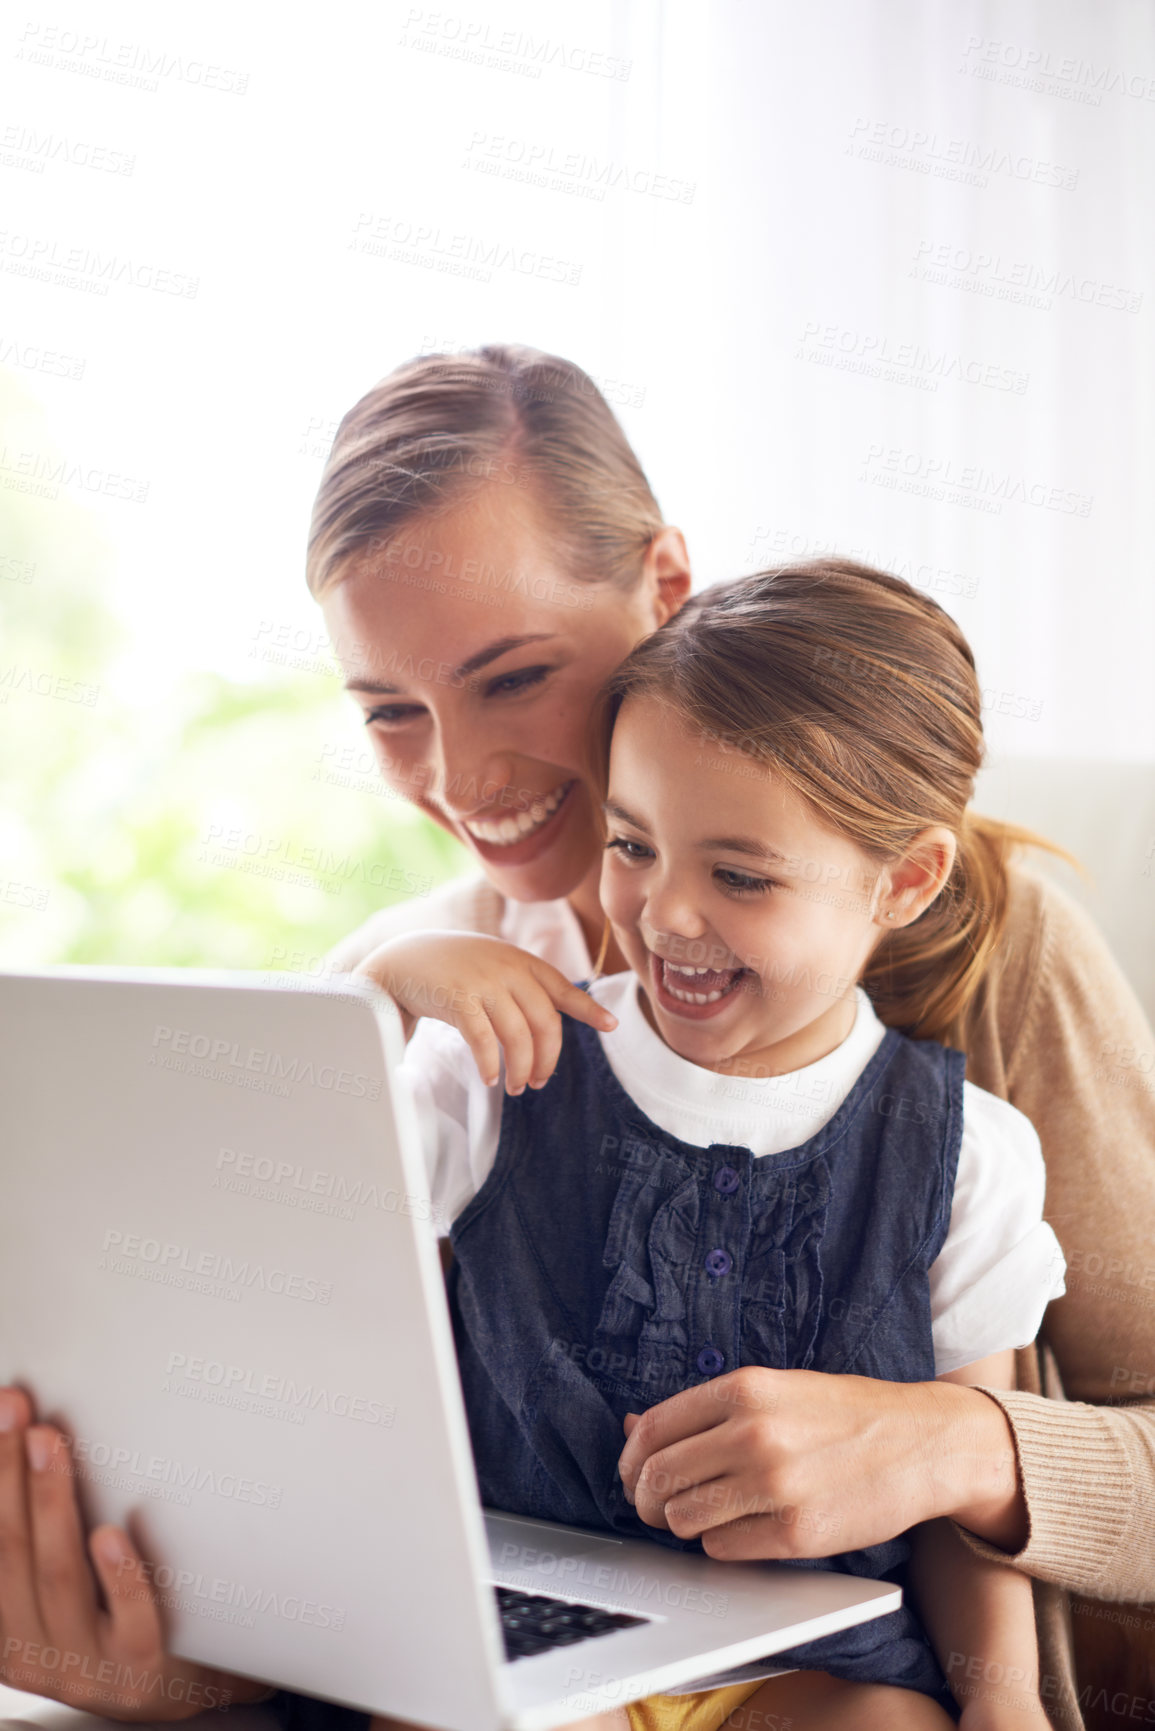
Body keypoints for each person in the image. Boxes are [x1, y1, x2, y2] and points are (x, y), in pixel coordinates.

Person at [0, 348, 1151, 1728]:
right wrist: (160, 1665)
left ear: (663, 586)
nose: (463, 778)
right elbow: (384, 1525)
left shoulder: (982, 949)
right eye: (389, 712)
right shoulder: (423, 999)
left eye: (513, 675)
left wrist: (967, 1444)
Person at [354, 558, 1067, 1729]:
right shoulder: (497, 1068)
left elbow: (956, 1499)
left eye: (740, 874)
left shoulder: (967, 1156)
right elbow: (297, 1265)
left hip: (813, 1669)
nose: (667, 914)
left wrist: (1010, 1707)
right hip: (529, 1648)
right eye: (632, 847)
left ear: (906, 880)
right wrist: (384, 997)